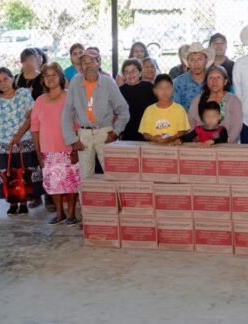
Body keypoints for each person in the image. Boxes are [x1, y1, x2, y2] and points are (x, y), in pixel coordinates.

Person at [62, 48, 130, 180]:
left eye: (92, 61)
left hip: (105, 132)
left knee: (112, 174)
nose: (88, 65)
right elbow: (67, 112)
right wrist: (72, 139)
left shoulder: (108, 82)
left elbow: (123, 110)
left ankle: (113, 194)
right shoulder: (75, 82)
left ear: (98, 63)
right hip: (84, 134)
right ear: (81, 66)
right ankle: (88, 194)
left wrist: (116, 132)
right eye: (84, 62)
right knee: (85, 176)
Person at [0, 67, 44, 216]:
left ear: (12, 78)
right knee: (8, 175)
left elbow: (31, 116)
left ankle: (24, 203)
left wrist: (19, 134)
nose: (3, 83)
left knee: (24, 174)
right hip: (2, 144)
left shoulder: (23, 94)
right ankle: (12, 203)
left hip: (23, 142)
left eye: (5, 79)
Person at [31, 63, 80, 225]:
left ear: (60, 77)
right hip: (48, 151)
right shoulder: (40, 101)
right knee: (53, 185)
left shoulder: (70, 97)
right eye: (46, 75)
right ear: (43, 80)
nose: (50, 78)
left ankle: (71, 214)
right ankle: (60, 214)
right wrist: (38, 153)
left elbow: (77, 125)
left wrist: (75, 149)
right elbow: (35, 128)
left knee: (71, 184)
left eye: (54, 75)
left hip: (68, 148)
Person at [188, 65, 243, 144]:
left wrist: (223, 143)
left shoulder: (233, 101)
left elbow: (236, 127)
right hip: (201, 145)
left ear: (225, 81)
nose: (214, 81)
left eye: (218, 78)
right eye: (211, 78)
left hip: (226, 146)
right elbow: (191, 122)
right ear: (206, 82)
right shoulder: (198, 100)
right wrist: (194, 139)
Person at [139, 74, 190, 144]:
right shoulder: (149, 110)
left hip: (174, 147)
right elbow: (145, 133)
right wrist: (153, 138)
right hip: (153, 148)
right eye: (161, 88)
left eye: (168, 87)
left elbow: (183, 131)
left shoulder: (180, 109)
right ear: (155, 91)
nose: (164, 91)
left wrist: (171, 138)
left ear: (173, 89)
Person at [118, 59, 156, 142]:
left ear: (140, 72)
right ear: (124, 75)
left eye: (133, 71)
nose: (130, 74)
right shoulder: (120, 91)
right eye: (127, 72)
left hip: (148, 132)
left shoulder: (149, 87)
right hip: (128, 133)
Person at [173, 43, 213, 110]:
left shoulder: (214, 79)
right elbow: (176, 109)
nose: (196, 63)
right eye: (192, 60)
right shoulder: (179, 82)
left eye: (200, 59)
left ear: (206, 60)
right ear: (188, 62)